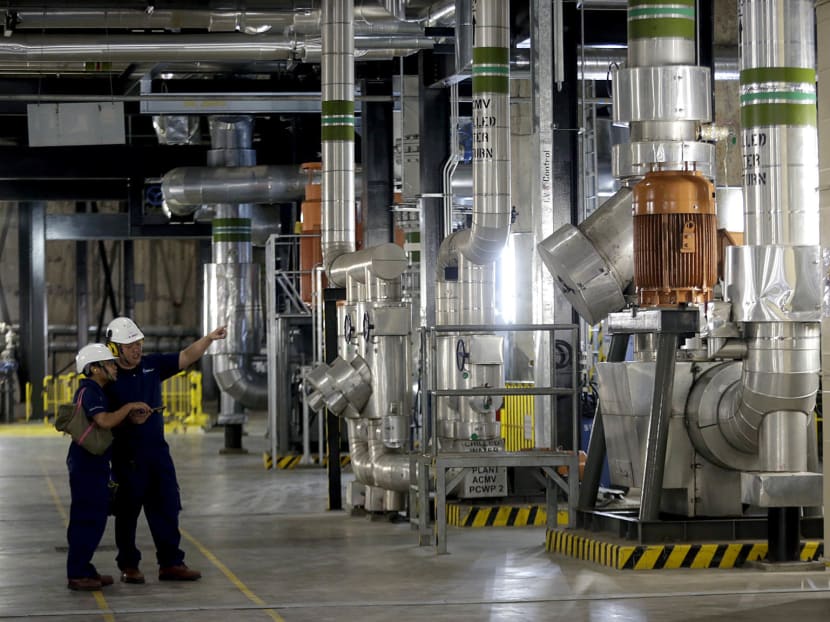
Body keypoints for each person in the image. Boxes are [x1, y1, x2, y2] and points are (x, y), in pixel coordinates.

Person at [104, 317, 227, 584]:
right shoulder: (108, 376)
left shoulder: (152, 365)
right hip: (127, 456)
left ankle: (171, 563)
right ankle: (129, 565)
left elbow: (184, 357)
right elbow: (101, 417)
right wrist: (126, 417)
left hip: (157, 454)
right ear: (115, 348)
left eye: (138, 343)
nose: (136, 349)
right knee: (127, 513)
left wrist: (208, 339)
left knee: (167, 506)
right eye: (129, 345)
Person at [66, 343, 151, 591]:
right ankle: (78, 573)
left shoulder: (98, 391)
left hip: (96, 462)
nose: (115, 367)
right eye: (110, 363)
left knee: (94, 518)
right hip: (86, 464)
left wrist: (129, 417)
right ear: (94, 368)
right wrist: (127, 408)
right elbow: (102, 421)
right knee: (87, 518)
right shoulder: (90, 391)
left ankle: (84, 568)